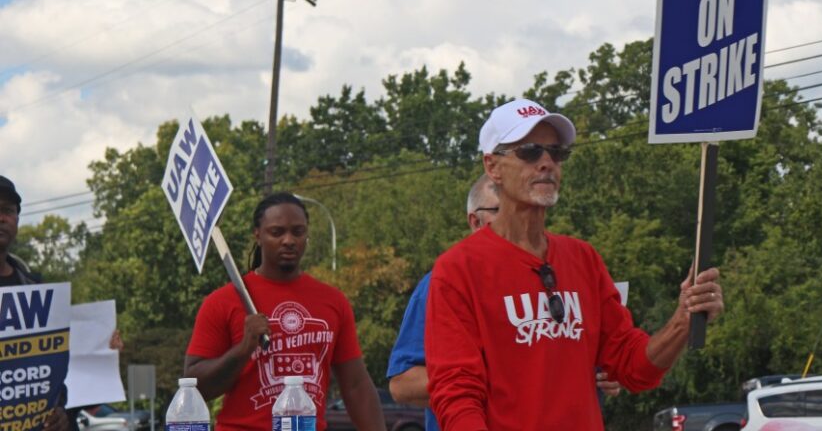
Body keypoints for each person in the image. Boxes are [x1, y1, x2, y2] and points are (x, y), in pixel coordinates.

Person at [425, 100, 725, 431]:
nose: (546, 163)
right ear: (493, 166)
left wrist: (683, 320)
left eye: (556, 153)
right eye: (529, 151)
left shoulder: (583, 258)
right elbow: (457, 394)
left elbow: (632, 367)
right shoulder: (457, 269)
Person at [388, 175, 621, 431]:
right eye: (500, 210)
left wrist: (604, 373)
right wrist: (498, 378)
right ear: (474, 221)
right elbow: (401, 384)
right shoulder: (443, 283)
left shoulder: (560, 273)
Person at [184, 192, 386, 431]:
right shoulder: (223, 301)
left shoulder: (333, 301)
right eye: (277, 232)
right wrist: (244, 349)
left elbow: (356, 385)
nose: (289, 240)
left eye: (298, 232)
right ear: (258, 235)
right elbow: (195, 387)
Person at [0, 175, 70, 431]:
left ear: (17, 220)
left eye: (7, 211)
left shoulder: (36, 290)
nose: (1, 218)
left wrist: (61, 414)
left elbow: (55, 375)